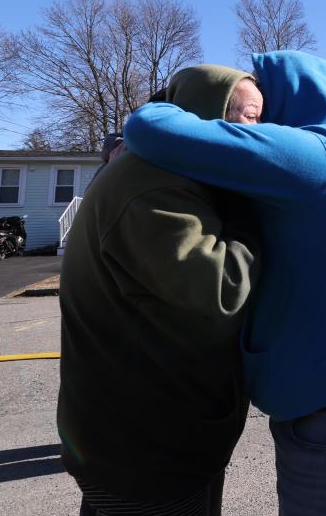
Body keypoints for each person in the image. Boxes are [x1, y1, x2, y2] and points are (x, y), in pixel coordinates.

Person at [124, 50, 326, 516]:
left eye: (258, 102)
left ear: (283, 100)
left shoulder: (307, 154)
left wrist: (166, 101)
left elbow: (148, 130)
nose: (253, 117)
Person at [57, 66, 263, 516]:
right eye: (251, 118)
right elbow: (223, 286)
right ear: (208, 116)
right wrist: (252, 213)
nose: (262, 135)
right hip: (147, 453)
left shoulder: (166, 172)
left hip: (146, 439)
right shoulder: (150, 187)